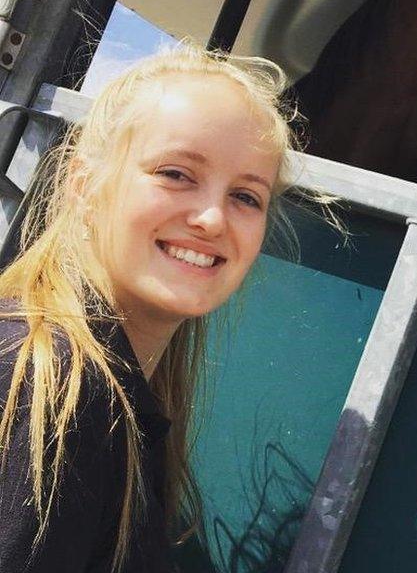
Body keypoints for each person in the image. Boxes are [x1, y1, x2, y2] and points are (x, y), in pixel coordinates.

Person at [0, 43, 334, 572]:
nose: (211, 218)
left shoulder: (118, 394)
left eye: (246, 197)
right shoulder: (52, 382)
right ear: (84, 186)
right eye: (176, 173)